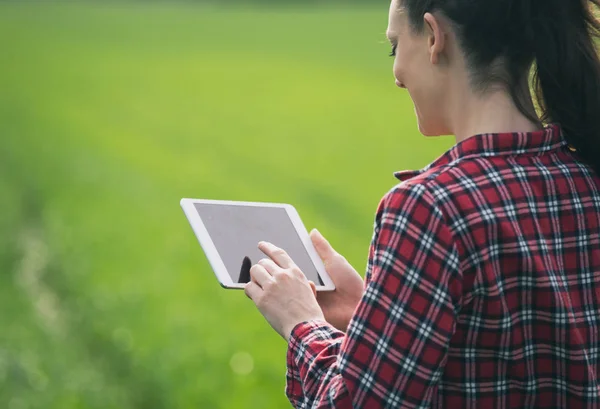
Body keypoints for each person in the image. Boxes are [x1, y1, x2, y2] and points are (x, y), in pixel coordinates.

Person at [244, 0, 600, 407]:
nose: (396, 76)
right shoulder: (585, 175)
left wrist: (300, 321)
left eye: (395, 47)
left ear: (434, 36)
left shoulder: (431, 208)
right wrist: (370, 311)